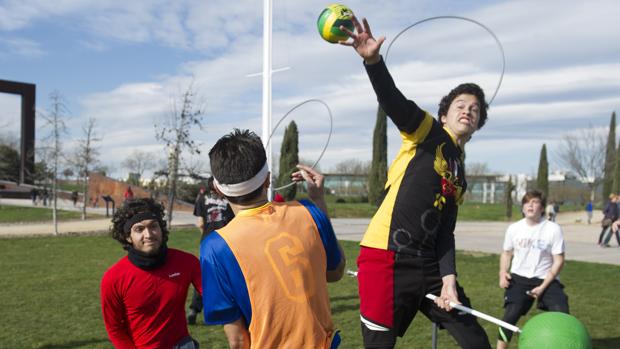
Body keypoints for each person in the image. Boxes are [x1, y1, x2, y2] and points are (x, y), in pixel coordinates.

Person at [338, 16, 491, 349]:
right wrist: (373, 62)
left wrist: (449, 282)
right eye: (460, 105)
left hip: (430, 267)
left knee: (476, 341)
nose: (468, 111)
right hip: (386, 258)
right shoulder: (428, 132)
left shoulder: (460, 173)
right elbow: (394, 102)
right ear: (445, 114)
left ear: (478, 123)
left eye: (475, 109)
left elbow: (445, 232)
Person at [200, 129, 346, 348]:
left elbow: (237, 340)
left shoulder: (215, 247)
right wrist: (318, 201)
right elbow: (335, 272)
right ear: (268, 179)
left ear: (217, 189)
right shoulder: (308, 212)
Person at [101, 198, 202, 349]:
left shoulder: (187, 262)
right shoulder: (113, 278)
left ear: (161, 229)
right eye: (139, 229)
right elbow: (114, 329)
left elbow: (214, 295)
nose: (148, 234)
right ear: (128, 237)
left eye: (153, 226)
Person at [497, 190, 569, 349]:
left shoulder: (553, 229)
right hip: (519, 279)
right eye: (527, 202)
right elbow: (507, 253)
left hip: (546, 279)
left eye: (535, 202)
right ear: (522, 207)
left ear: (542, 208)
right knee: (509, 317)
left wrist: (543, 286)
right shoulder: (514, 228)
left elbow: (559, 260)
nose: (530, 205)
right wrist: (503, 273)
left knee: (562, 314)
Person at [187, 178, 235, 325]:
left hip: (208, 242)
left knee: (205, 276)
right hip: (226, 241)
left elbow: (200, 223)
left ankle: (194, 310)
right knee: (230, 275)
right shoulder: (230, 200)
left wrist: (206, 235)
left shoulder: (202, 198)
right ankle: (229, 310)